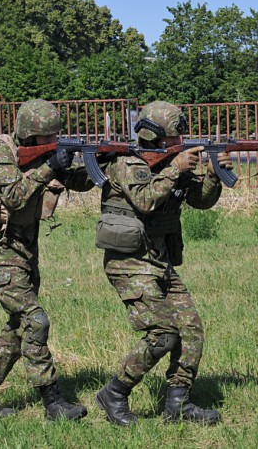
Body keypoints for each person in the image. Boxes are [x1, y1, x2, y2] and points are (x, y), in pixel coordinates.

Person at [94, 101, 233, 426]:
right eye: (174, 136)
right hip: (129, 262)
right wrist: (175, 169)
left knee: (190, 328)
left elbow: (200, 200)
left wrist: (212, 175)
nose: (180, 141)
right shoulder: (126, 163)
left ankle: (178, 403)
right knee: (163, 334)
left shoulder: (172, 162)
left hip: (160, 260)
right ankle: (114, 393)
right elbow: (145, 200)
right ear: (152, 135)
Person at [0, 99, 93, 421]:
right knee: (36, 321)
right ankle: (53, 402)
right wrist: (50, 165)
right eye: (46, 137)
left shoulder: (42, 154)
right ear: (29, 134)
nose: (52, 141)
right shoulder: (1, 151)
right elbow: (15, 196)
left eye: (55, 136)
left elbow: (79, 181)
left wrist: (97, 161)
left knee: (18, 326)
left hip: (24, 252)